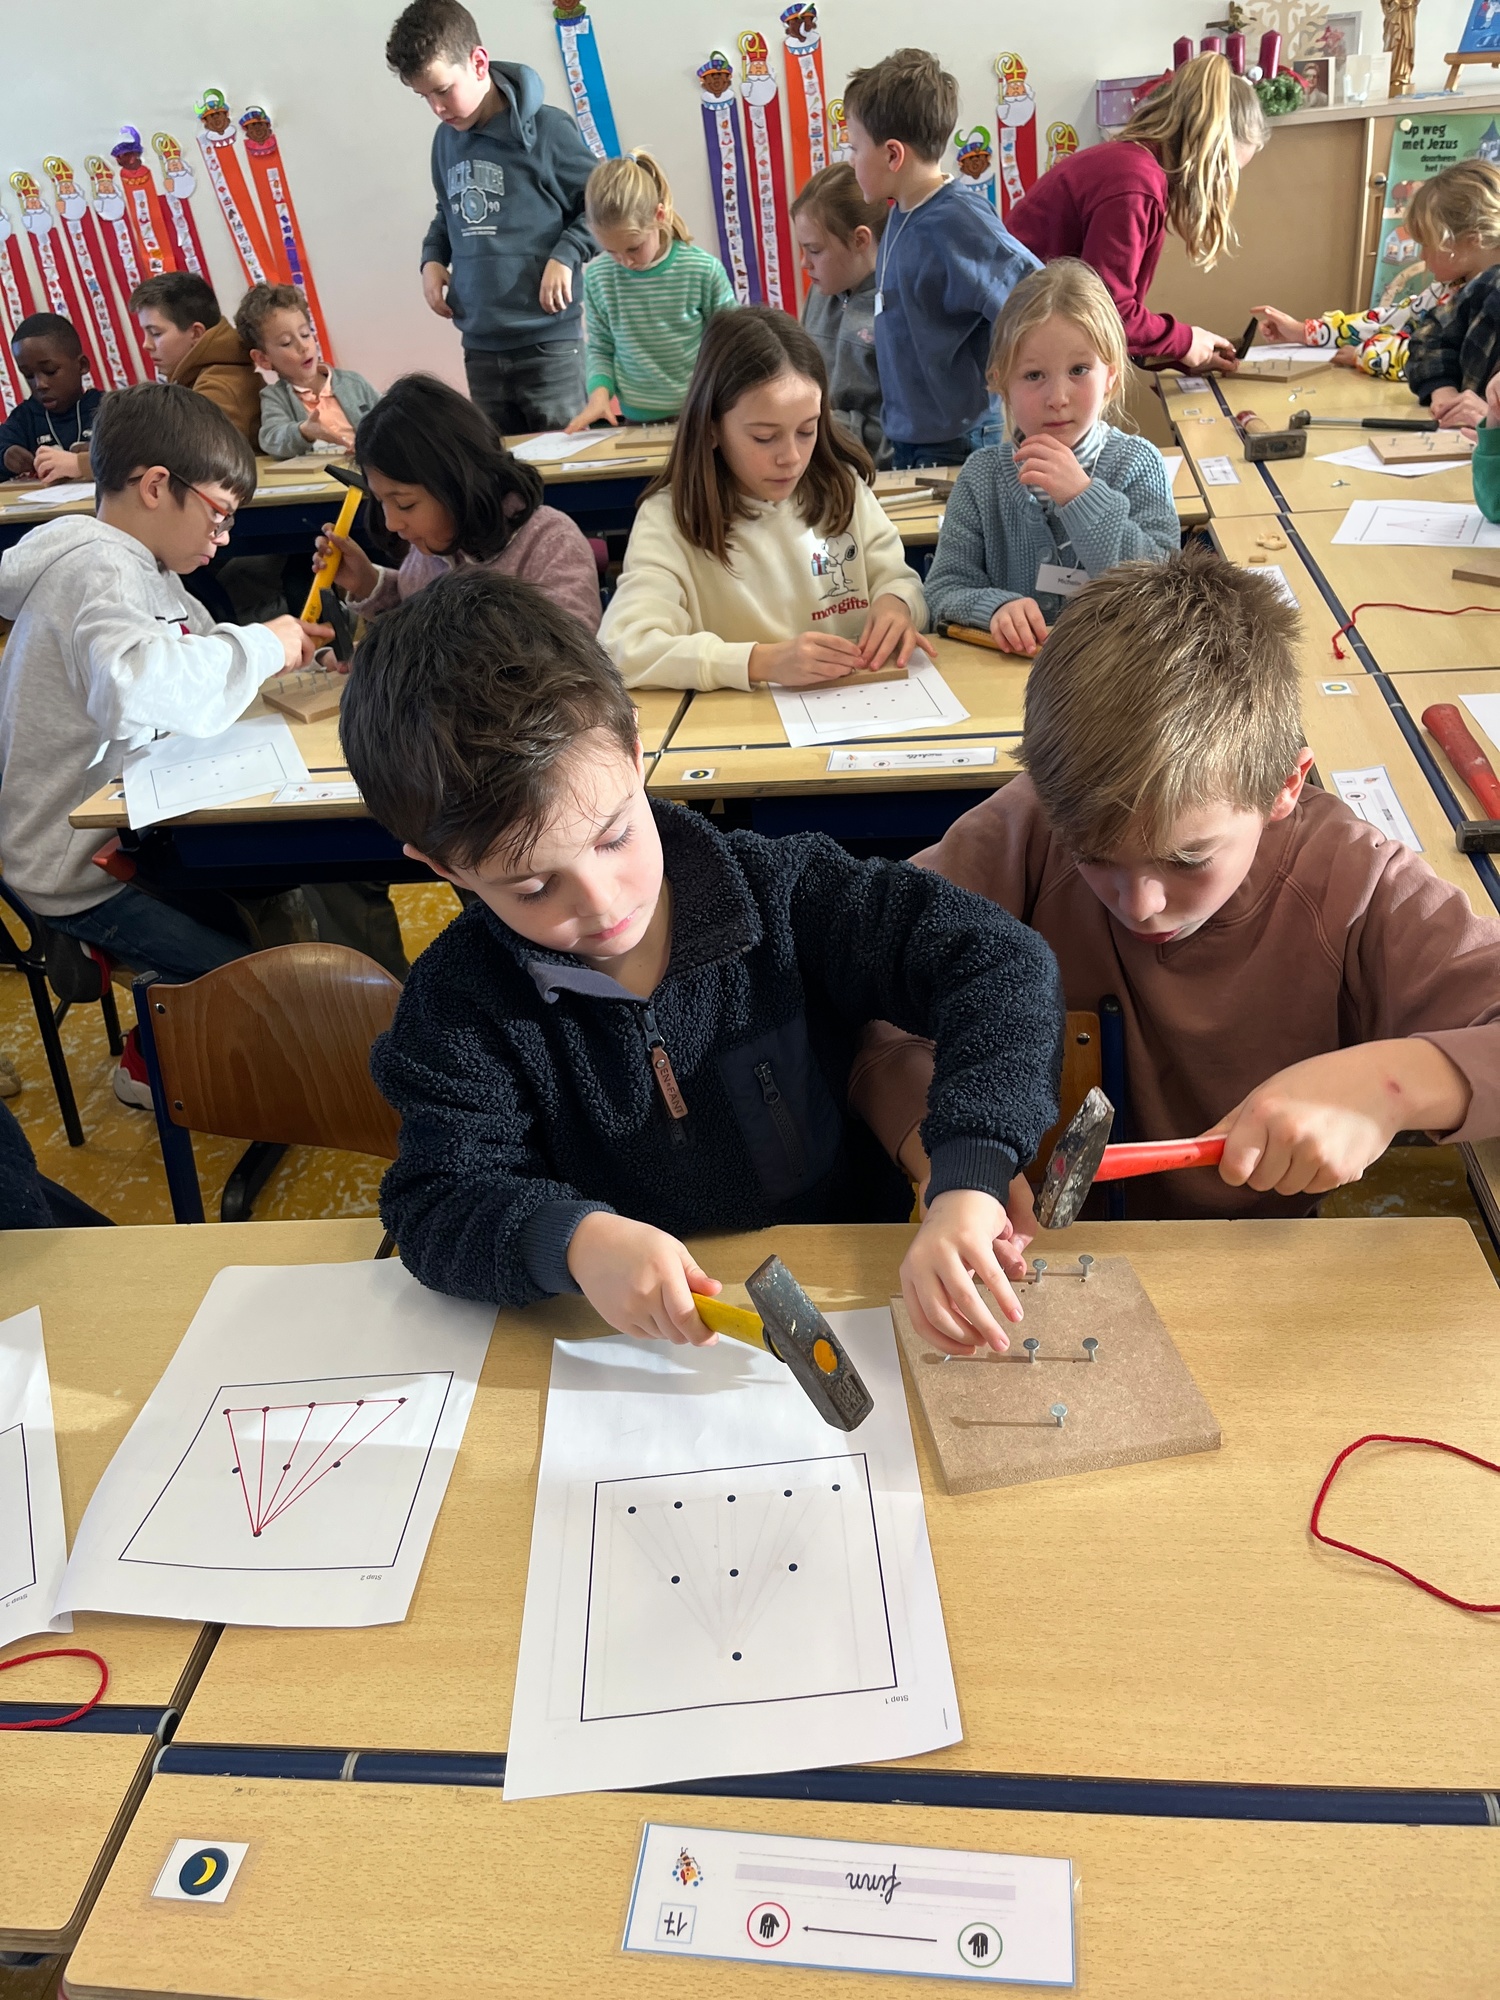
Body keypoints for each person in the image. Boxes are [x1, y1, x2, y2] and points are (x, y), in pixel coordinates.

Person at [341, 567, 1066, 1355]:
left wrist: (967, 1176)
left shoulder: (784, 891)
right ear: (444, 867)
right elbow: (436, 1201)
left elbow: (999, 964)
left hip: (855, 1292)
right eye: (534, 886)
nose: (602, 903)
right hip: (632, 1348)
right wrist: (573, 1242)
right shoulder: (458, 1005)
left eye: (615, 837)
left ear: (634, 752)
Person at [850, 547, 1500, 1225]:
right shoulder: (1030, 827)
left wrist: (1392, 1085)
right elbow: (868, 1010)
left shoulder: (1353, 881)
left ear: (1285, 785)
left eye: (1188, 859)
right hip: (1036, 1249)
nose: (1141, 905)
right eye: (1094, 857)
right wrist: (952, 1159)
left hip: (1256, 1258)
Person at [0, 384, 327, 1105]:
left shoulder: (147, 567)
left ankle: (188, 1015)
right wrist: (259, 646)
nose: (225, 536)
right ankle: (147, 1062)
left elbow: (194, 648)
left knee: (269, 911)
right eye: (219, 513)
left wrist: (281, 652)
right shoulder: (98, 567)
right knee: (244, 978)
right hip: (74, 866)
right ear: (156, 486)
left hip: (129, 832)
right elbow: (133, 686)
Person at [598, 307, 928, 690]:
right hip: (746, 722)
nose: (791, 457)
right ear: (711, 428)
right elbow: (624, 648)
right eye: (764, 437)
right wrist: (760, 661)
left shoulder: (843, 488)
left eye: (807, 431)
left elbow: (900, 580)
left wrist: (898, 603)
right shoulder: (670, 519)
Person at [924, 261, 1177, 657]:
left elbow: (1168, 590)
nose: (1057, 398)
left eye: (1079, 370)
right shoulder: (982, 478)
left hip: (1116, 678)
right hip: (1013, 682)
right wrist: (994, 608)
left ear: (1110, 377)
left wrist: (1082, 498)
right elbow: (942, 590)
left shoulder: (1138, 463)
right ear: (1001, 382)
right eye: (1033, 375)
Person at [385, 0, 597, 434]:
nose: (437, 108)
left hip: (549, 345)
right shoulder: (445, 141)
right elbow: (448, 211)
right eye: (424, 97)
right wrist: (432, 258)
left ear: (478, 62)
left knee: (564, 463)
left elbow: (602, 208)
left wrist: (567, 254)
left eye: (443, 90)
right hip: (480, 348)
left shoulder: (551, 131)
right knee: (498, 469)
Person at [841, 48, 1040, 468]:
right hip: (911, 433)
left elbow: (1037, 297)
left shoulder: (958, 221)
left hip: (957, 438)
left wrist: (1013, 379)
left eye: (855, 148)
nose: (850, 159)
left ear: (893, 155)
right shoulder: (901, 211)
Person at [1006, 53, 1266, 372]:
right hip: (1021, 348)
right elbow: (1105, 312)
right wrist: (1183, 341)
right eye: (1226, 171)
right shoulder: (1134, 183)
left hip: (1035, 338)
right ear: (1208, 150)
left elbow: (1107, 313)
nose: (1222, 184)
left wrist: (1182, 351)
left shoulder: (1131, 165)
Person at [319, 373, 601, 631]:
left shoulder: (551, 543)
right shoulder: (427, 552)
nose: (391, 523)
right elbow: (416, 622)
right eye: (381, 501)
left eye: (405, 504)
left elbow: (572, 657)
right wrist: (368, 583)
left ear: (457, 485)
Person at [564, 151, 735, 433]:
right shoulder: (598, 277)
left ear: (659, 216)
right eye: (611, 251)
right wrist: (599, 395)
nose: (625, 261)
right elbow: (601, 347)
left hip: (701, 413)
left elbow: (732, 340)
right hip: (636, 417)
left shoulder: (703, 270)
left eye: (634, 248)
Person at [791, 162, 890, 468]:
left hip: (875, 470)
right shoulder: (820, 293)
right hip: (823, 461)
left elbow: (895, 433)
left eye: (815, 250)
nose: (804, 263)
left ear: (860, 240)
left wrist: (819, 428)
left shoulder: (898, 306)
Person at [1394, 161, 1500, 427]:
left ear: (1473, 239)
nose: (1422, 255)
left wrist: (1490, 419)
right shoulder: (1481, 287)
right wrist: (1444, 391)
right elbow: (1429, 338)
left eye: (1427, 244)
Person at [235, 282, 381, 459]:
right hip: (323, 475)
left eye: (305, 334)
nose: (303, 347)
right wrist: (303, 432)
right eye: (286, 343)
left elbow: (389, 418)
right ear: (263, 359)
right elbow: (271, 439)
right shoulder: (276, 397)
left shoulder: (354, 384)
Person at [128, 272, 262, 443]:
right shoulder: (201, 375)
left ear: (196, 333)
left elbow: (194, 455)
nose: (146, 344)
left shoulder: (216, 389)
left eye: (155, 333)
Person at [0, 313, 102, 484]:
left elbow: (134, 458)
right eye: (28, 375)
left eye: (50, 371)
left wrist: (97, 454)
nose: (39, 384)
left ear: (82, 365)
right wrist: (6, 457)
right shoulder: (24, 418)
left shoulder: (110, 408)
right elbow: (3, 445)